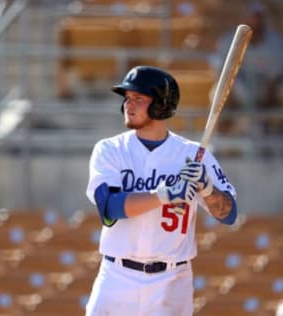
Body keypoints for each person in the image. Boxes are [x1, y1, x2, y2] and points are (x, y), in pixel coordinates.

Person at [85, 65, 238, 315]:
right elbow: (110, 208)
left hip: (172, 280)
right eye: (127, 98)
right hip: (117, 277)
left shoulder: (193, 155)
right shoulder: (110, 150)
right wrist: (163, 195)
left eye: (138, 99)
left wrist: (208, 188)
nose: (128, 105)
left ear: (160, 105)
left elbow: (229, 214)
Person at [211, 1, 283, 135]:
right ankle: (221, 137)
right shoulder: (229, 40)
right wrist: (238, 88)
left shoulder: (276, 41)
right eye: (252, 18)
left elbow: (276, 74)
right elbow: (220, 70)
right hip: (237, 85)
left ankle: (277, 131)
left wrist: (263, 95)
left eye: (258, 19)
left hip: (269, 86)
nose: (255, 23)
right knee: (216, 93)